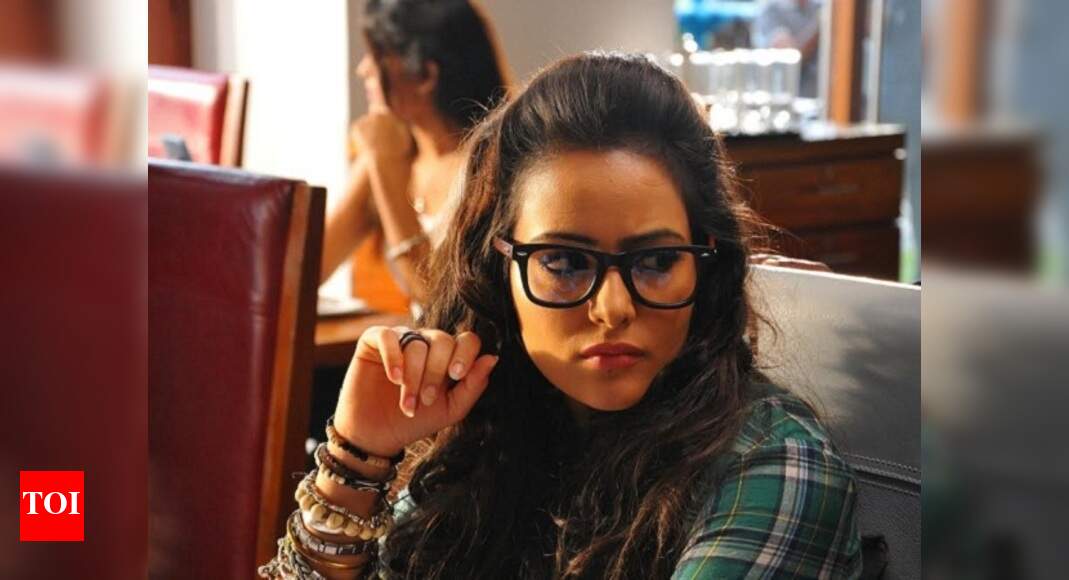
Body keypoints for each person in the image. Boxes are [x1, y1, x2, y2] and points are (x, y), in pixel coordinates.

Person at [261, 52, 861, 579]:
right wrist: (357, 457)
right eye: (566, 262)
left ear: (706, 264)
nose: (613, 308)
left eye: (656, 261)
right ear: (497, 270)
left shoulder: (775, 465)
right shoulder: (491, 434)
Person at [320, 0, 510, 314]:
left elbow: (444, 307)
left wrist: (385, 169)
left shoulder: (495, 165)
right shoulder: (395, 150)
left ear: (425, 75)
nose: (363, 69)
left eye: (377, 55)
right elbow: (310, 266)